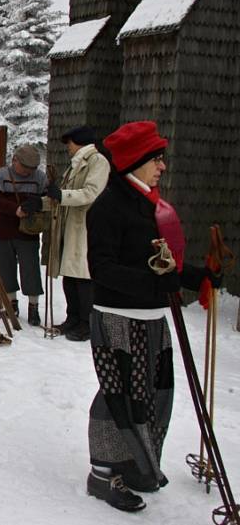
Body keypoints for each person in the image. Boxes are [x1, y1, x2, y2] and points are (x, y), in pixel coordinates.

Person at [84, 120, 218, 512]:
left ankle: (136, 465)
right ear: (135, 162)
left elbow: (162, 263)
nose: (162, 166)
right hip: (118, 317)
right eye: (156, 159)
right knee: (117, 396)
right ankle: (103, 474)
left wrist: (199, 276)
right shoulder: (109, 206)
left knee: (151, 396)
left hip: (150, 317)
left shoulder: (149, 203)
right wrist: (153, 285)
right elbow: (103, 268)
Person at [43, 126, 109, 341]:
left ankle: (86, 322)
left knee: (83, 278)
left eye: (69, 143)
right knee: (70, 276)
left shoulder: (97, 162)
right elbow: (63, 195)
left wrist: (61, 195)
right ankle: (72, 318)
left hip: (85, 227)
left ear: (79, 142)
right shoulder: (76, 165)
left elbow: (91, 193)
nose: (68, 148)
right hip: (70, 226)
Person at [0, 144, 48, 325]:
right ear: (15, 161)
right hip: (4, 230)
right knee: (5, 268)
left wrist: (36, 204)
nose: (28, 172)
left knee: (31, 269)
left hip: (28, 231)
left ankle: (33, 307)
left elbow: (45, 199)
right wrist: (16, 209)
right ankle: (10, 304)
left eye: (32, 169)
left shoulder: (39, 177)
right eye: (25, 168)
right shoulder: (1, 175)